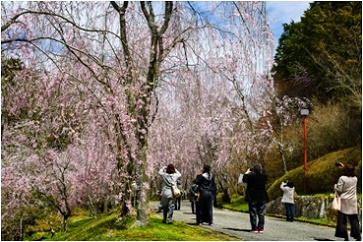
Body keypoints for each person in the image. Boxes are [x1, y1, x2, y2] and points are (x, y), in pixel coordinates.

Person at [334, 163, 361, 241]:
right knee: (354, 220)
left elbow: (339, 189)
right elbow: (349, 171)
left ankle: (345, 237)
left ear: (345, 170)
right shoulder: (355, 178)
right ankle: (358, 237)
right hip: (352, 201)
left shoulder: (342, 178)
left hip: (344, 201)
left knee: (342, 221)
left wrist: (335, 186)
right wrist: (344, 167)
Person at [242, 163, 269, 234]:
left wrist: (247, 172)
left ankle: (254, 228)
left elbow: (243, 180)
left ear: (254, 170)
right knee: (261, 213)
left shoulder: (251, 177)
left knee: (253, 212)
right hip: (262, 197)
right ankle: (261, 228)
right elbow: (264, 177)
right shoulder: (264, 176)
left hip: (252, 196)